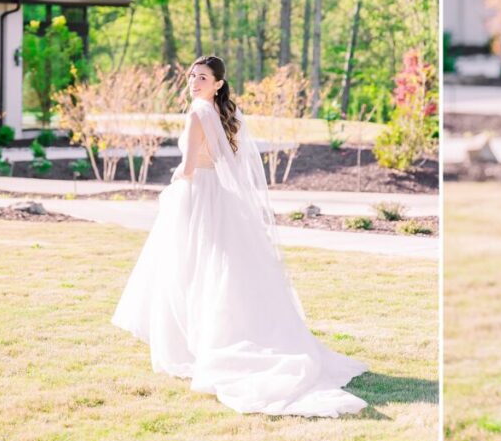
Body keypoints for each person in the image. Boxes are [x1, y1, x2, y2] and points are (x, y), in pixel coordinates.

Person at [113, 55, 367, 417]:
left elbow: (187, 168)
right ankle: (214, 334)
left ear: (218, 83)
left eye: (202, 77)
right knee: (216, 266)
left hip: (198, 193)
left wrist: (171, 185)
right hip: (219, 194)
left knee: (190, 266)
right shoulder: (222, 113)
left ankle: (197, 342)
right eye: (192, 76)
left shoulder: (197, 113)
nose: (194, 82)